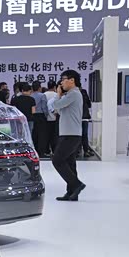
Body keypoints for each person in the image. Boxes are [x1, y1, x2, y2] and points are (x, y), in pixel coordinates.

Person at [51, 70, 86, 201]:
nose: (61, 82)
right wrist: (60, 99)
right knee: (70, 163)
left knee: (57, 160)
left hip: (71, 134)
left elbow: (56, 105)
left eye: (63, 79)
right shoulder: (71, 95)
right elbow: (60, 110)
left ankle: (77, 185)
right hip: (69, 133)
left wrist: (58, 95)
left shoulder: (74, 94)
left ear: (72, 80)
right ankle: (71, 193)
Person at [77, 81, 96, 157]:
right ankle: (86, 151)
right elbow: (89, 104)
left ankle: (77, 151)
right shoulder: (84, 92)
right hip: (84, 117)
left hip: (76, 117)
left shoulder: (72, 94)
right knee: (84, 134)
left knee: (77, 135)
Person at [31, 81, 49, 154]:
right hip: (41, 116)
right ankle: (41, 151)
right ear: (39, 88)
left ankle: (34, 150)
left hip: (33, 115)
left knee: (34, 133)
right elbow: (44, 107)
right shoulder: (42, 95)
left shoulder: (30, 95)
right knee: (42, 134)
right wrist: (46, 115)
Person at [43, 81, 59, 155]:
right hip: (55, 117)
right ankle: (54, 150)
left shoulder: (44, 94)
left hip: (46, 118)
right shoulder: (56, 95)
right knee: (54, 135)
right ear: (55, 87)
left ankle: (46, 150)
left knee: (46, 135)